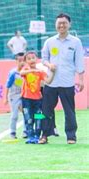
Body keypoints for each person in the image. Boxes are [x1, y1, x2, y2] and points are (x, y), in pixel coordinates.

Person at [39, 13, 85, 145]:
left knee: (69, 110)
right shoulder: (49, 41)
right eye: (59, 23)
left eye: (64, 23)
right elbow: (44, 59)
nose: (61, 25)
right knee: (45, 110)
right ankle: (44, 135)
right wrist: (49, 65)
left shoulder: (76, 42)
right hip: (51, 82)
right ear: (55, 25)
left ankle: (71, 136)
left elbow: (79, 63)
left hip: (67, 82)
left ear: (69, 24)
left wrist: (81, 80)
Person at [20, 51, 55, 144]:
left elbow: (48, 81)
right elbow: (21, 72)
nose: (31, 60)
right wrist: (32, 70)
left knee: (39, 118)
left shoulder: (40, 72)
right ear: (26, 61)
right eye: (29, 58)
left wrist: (52, 72)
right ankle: (31, 136)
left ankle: (37, 136)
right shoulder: (26, 69)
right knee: (28, 118)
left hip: (38, 100)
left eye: (33, 58)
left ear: (37, 59)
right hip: (26, 99)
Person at [4, 52, 25, 139]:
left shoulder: (26, 72)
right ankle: (12, 132)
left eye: (23, 60)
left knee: (26, 113)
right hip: (14, 96)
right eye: (19, 60)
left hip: (24, 95)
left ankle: (26, 131)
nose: (22, 62)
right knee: (15, 114)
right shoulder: (13, 73)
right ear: (16, 61)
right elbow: (7, 85)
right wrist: (5, 98)